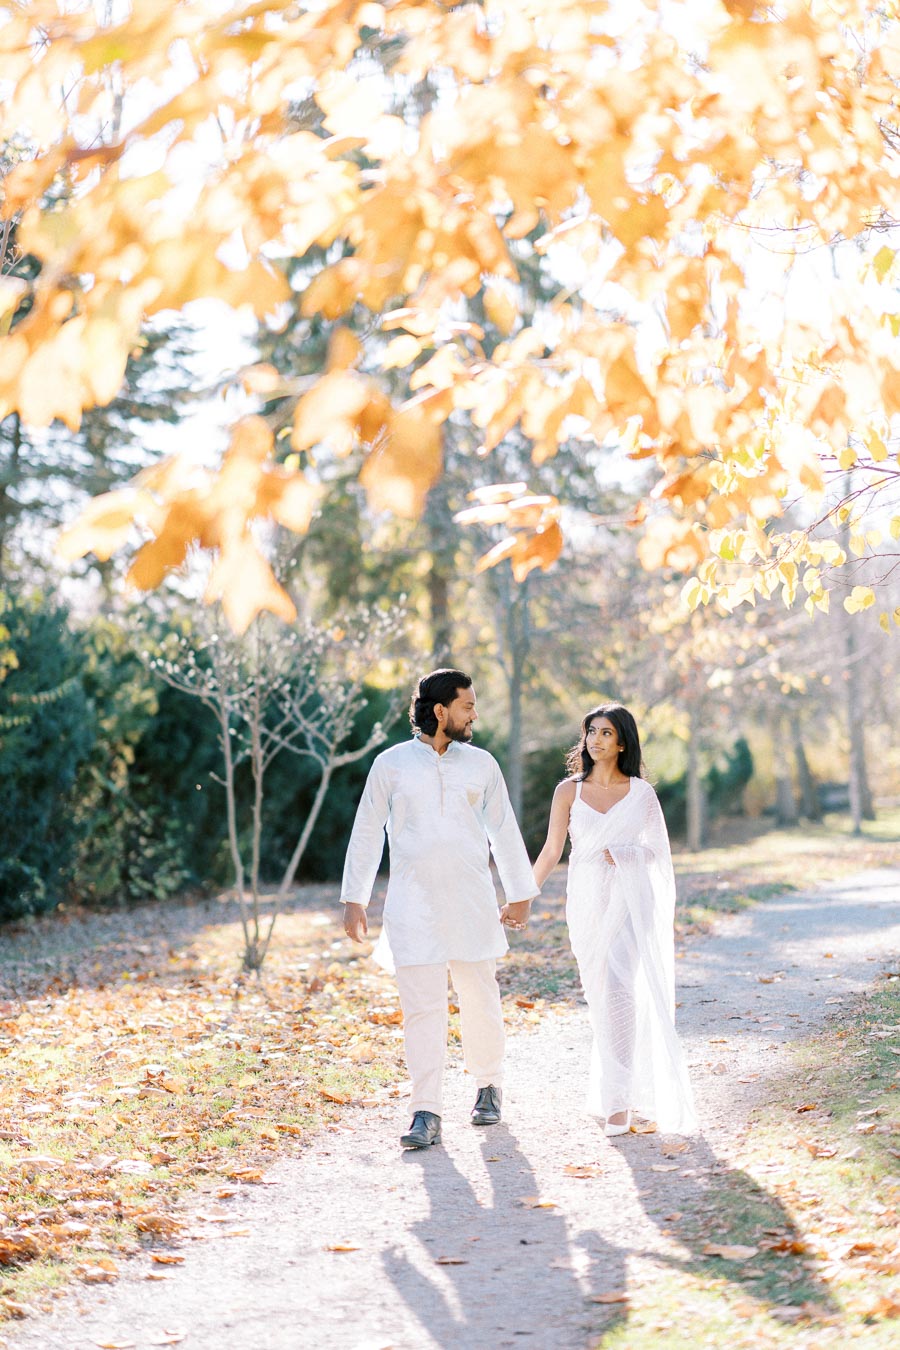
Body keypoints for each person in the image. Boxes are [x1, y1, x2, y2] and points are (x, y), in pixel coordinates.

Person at [341, 669, 537, 1150]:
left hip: (471, 901)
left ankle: (488, 1087)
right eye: (468, 706)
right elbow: (367, 831)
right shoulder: (391, 765)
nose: (475, 714)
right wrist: (354, 897)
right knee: (422, 1011)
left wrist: (520, 892)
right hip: (413, 906)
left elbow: (504, 831)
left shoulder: (482, 764)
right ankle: (425, 1111)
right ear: (441, 711)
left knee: (480, 999)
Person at [532, 703, 697, 1136]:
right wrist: (523, 896)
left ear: (622, 741)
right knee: (599, 994)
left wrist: (625, 854)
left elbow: (659, 854)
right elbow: (552, 851)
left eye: (606, 733)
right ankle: (615, 1088)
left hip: (628, 900)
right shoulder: (568, 791)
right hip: (585, 900)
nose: (596, 740)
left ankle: (618, 1102)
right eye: (591, 731)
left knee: (622, 991)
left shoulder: (641, 794)